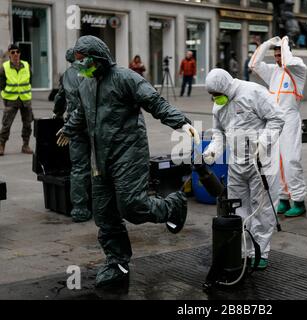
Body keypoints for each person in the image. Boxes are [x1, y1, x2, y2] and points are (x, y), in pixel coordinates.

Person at [56, 36, 200, 288]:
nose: (79, 66)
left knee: (132, 206)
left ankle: (171, 207)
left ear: (97, 57)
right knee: (104, 214)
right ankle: (117, 263)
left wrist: (180, 121)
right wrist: (68, 128)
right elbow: (82, 111)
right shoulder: (86, 83)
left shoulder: (125, 78)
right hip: (100, 158)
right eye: (77, 62)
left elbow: (154, 101)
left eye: (83, 61)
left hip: (128, 154)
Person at [202, 68, 284, 270]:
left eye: (216, 95)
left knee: (262, 208)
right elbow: (219, 133)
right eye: (211, 96)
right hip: (237, 163)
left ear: (225, 88)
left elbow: (277, 118)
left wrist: (263, 143)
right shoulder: (219, 106)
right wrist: (213, 150)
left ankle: (260, 252)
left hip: (261, 162)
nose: (214, 99)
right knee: (238, 208)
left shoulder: (253, 92)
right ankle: (243, 250)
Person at [248, 36, 307, 218]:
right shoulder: (274, 71)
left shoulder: (298, 68)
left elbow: (289, 61)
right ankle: (283, 198)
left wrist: (284, 43)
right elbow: (254, 64)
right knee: (275, 161)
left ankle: (299, 201)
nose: (277, 58)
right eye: (275, 55)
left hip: (290, 118)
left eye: (279, 54)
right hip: (274, 121)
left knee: (290, 159)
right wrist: (267, 44)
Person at [53, 48, 92, 223]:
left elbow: (60, 97)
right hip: (90, 122)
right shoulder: (87, 69)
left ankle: (79, 209)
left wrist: (57, 113)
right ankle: (101, 205)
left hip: (74, 125)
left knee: (78, 166)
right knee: (98, 163)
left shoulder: (66, 74)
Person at [0, 44, 33, 156]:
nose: (15, 54)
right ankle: (1, 145)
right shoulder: (4, 67)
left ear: (20, 53)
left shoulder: (26, 65)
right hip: (11, 100)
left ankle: (25, 145)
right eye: (13, 52)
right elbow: (1, 84)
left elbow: (30, 80)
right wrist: (4, 96)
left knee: (27, 124)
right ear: (9, 54)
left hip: (25, 99)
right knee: (6, 125)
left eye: (17, 52)